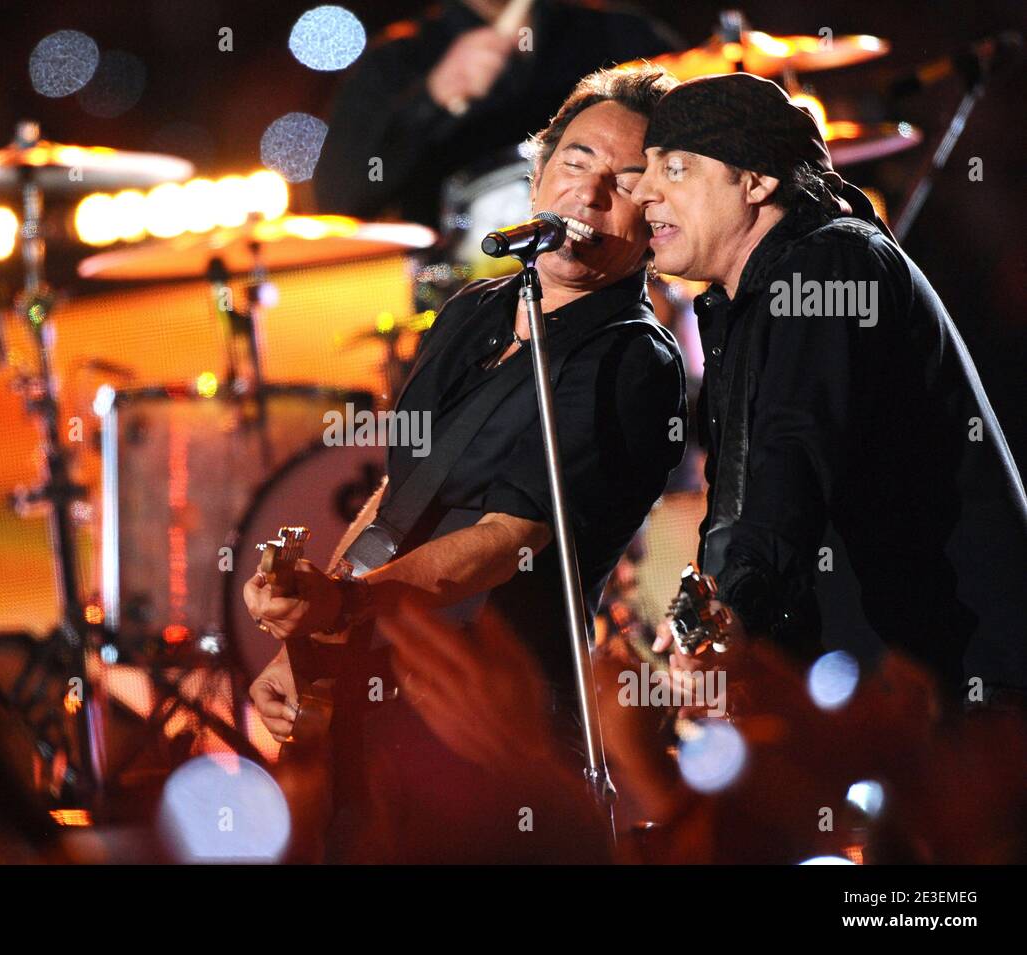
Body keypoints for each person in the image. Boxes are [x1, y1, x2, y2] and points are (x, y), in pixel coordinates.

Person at [245, 65, 685, 861]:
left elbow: (503, 539)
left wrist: (343, 606)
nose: (587, 196)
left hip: (489, 721)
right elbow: (392, 502)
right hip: (377, 699)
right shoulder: (470, 313)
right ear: (537, 179)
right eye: (576, 163)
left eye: (622, 182)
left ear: (656, 216)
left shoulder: (633, 362)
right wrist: (304, 648)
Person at [628, 73, 1027, 708]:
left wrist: (729, 616)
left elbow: (793, 449)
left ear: (755, 180)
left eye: (673, 169)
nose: (643, 191)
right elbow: (741, 496)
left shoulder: (830, 262)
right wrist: (705, 621)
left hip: (959, 687)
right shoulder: (746, 300)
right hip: (888, 682)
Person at [311, 0, 679, 226]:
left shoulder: (619, 34)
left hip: (618, 269)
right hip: (461, 295)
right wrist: (430, 100)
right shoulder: (395, 63)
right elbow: (340, 197)